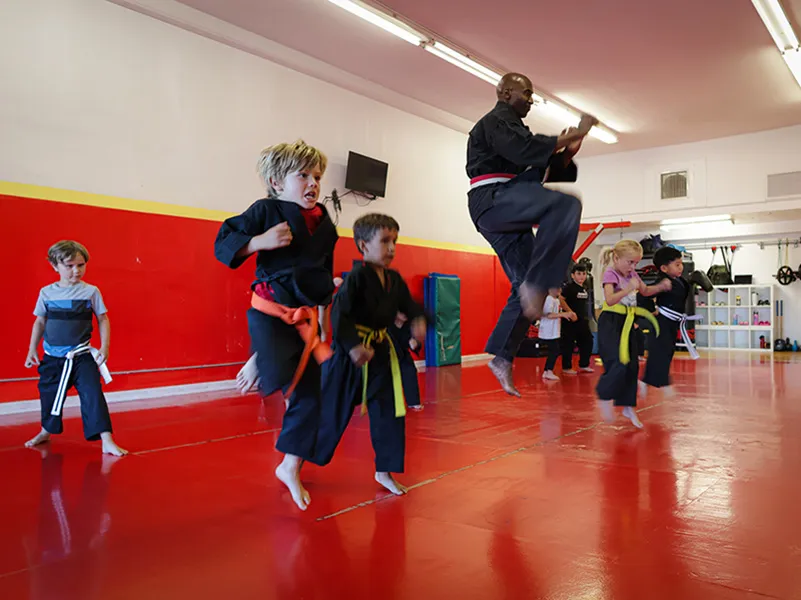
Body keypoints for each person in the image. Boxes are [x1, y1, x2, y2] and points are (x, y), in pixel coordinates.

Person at [214, 139, 338, 511]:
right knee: (279, 373)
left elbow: (322, 277)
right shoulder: (265, 210)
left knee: (313, 398)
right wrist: (257, 242)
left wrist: (325, 316)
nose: (312, 182)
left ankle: (289, 465)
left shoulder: (325, 223)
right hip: (269, 311)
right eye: (302, 175)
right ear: (276, 181)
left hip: (304, 319)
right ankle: (262, 359)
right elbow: (224, 240)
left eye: (317, 175)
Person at [466, 72, 599, 396]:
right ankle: (543, 283)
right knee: (565, 206)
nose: (530, 99)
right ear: (505, 91)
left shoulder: (516, 131)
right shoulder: (495, 120)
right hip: (493, 199)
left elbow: (536, 167)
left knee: (523, 288)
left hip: (505, 208)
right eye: (526, 93)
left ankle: (502, 356)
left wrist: (567, 151)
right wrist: (563, 139)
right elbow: (525, 150)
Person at [314, 214, 425, 496]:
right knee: (332, 412)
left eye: (395, 242)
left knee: (389, 411)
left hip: (379, 353)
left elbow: (410, 307)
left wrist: (420, 320)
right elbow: (339, 316)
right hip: (348, 357)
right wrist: (352, 346)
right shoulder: (357, 279)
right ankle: (296, 459)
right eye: (385, 241)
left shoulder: (394, 280)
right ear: (363, 246)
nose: (391, 248)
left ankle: (384, 470)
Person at [23, 241, 127, 456]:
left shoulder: (90, 291)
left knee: (92, 393)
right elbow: (40, 322)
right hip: (53, 357)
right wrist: (32, 348)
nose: (76, 270)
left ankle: (106, 438)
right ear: (55, 266)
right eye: (69, 266)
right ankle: (46, 430)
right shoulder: (47, 293)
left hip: (81, 356)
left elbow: (102, 319)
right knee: (49, 394)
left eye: (80, 265)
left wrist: (104, 347)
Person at [595, 240, 671, 428]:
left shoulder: (633, 274)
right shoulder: (610, 273)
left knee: (632, 365)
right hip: (611, 321)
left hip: (628, 323)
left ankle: (628, 405)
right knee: (617, 363)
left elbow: (645, 291)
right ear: (616, 258)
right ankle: (604, 396)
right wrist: (628, 289)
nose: (633, 266)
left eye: (636, 263)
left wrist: (661, 287)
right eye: (630, 262)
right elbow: (610, 300)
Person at [641, 246, 711, 395]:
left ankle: (654, 381)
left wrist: (693, 282)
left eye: (681, 263)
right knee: (659, 351)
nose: (681, 267)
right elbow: (643, 295)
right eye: (677, 264)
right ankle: (651, 382)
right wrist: (651, 309)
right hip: (661, 322)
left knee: (667, 351)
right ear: (664, 268)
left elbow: (683, 293)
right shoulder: (662, 281)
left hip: (672, 323)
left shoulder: (679, 281)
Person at [560, 263, 594, 375]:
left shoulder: (584, 288)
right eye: (579, 274)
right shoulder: (569, 287)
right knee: (568, 344)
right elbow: (561, 299)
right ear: (573, 275)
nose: (582, 276)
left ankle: (584, 364)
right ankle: (566, 367)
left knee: (588, 341)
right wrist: (569, 312)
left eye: (584, 274)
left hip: (582, 320)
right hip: (570, 321)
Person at [391, 312, 424, 411]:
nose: (405, 315)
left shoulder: (409, 325)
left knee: (409, 370)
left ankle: (413, 402)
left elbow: (416, 341)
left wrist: (415, 344)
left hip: (402, 354)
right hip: (387, 355)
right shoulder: (387, 324)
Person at [539, 288, 573, 381]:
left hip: (554, 330)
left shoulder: (556, 300)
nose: (559, 290)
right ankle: (548, 370)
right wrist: (563, 314)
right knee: (554, 350)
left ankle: (547, 371)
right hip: (548, 330)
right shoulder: (549, 299)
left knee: (554, 349)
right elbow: (548, 315)